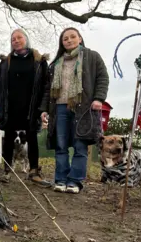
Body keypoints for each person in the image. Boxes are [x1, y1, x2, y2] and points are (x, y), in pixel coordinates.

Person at [40, 27, 109, 194]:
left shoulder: (92, 57)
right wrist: (44, 109)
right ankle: (61, 179)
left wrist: (98, 98)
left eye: (72, 37)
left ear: (80, 38)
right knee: (61, 145)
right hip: (59, 108)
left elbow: (103, 77)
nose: (69, 40)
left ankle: (75, 181)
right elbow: (48, 89)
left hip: (83, 108)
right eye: (65, 38)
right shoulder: (55, 63)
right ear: (62, 43)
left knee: (80, 145)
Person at [0, 28, 51, 186]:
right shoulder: (5, 62)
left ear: (26, 39)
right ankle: (7, 171)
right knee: (9, 138)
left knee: (32, 138)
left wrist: (43, 107)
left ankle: (34, 172)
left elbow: (46, 86)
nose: (16, 41)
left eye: (19, 38)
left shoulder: (39, 61)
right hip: (10, 107)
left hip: (31, 108)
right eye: (13, 39)